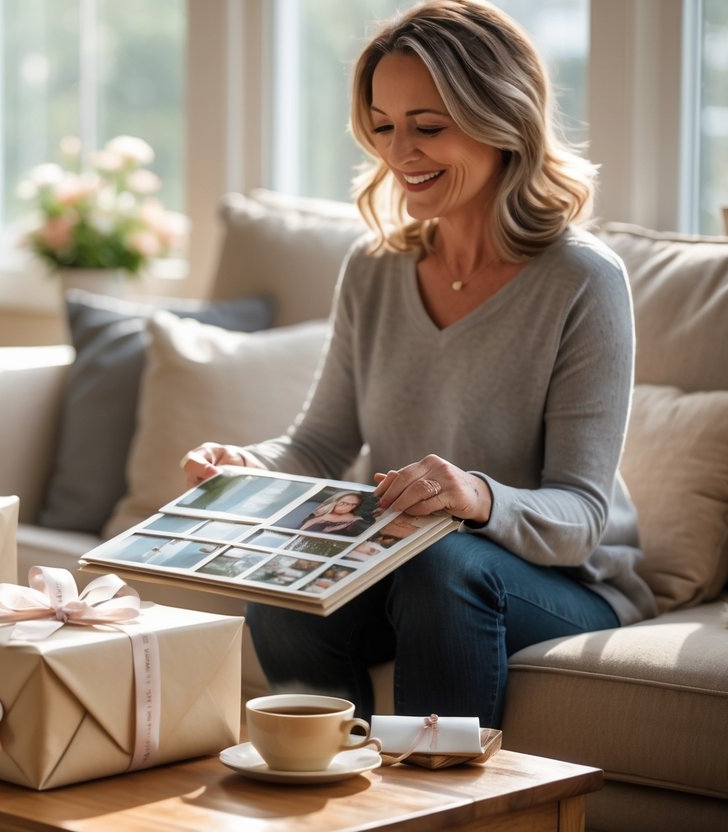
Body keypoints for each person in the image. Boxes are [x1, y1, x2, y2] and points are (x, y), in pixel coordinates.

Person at [180, 0, 656, 728]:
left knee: (443, 564)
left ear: (502, 119)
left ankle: (439, 805)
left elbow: (580, 518)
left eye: (427, 126)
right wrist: (241, 467)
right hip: (403, 564)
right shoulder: (373, 268)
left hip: (559, 580)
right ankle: (326, 787)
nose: (399, 153)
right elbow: (317, 445)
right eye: (382, 127)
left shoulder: (581, 279)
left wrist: (475, 496)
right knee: (282, 583)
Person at [299, 491, 374, 537]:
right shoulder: (317, 514)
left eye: (353, 505)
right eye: (344, 503)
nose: (348, 507)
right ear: (334, 501)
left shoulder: (355, 520)